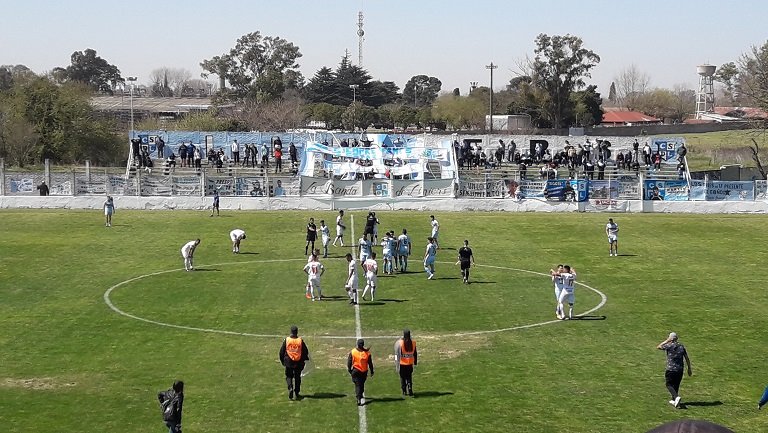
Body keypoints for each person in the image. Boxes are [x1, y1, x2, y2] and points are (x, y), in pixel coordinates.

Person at [657, 332, 692, 408]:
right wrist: (689, 368)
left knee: (669, 384)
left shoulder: (669, 346)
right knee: (676, 385)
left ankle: (676, 397)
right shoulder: (681, 346)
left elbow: (659, 346)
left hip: (671, 369)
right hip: (680, 369)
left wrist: (667, 340)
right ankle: (674, 400)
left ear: (670, 338)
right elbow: (686, 358)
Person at [278, 325, 310, 400]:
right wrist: (304, 360)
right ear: (297, 332)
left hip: (288, 362)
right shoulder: (300, 341)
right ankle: (297, 392)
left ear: (291, 332)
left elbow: (282, 351)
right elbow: (305, 351)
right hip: (298, 363)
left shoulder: (287, 340)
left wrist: (282, 360)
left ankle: (290, 388)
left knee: (289, 376)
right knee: (297, 377)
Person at [347, 338, 374, 406]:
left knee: (358, 385)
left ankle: (359, 398)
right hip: (363, 372)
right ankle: (360, 395)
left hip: (356, 371)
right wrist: (372, 371)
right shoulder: (367, 353)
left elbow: (349, 362)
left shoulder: (353, 352)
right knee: (361, 384)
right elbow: (370, 363)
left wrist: (349, 369)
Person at [394, 329, 418, 397]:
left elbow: (396, 354)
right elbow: (415, 353)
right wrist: (415, 362)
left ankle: (404, 391)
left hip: (402, 364)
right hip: (410, 364)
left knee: (402, 378)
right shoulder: (413, 343)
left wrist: (396, 362)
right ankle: (410, 389)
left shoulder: (400, 343)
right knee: (409, 377)